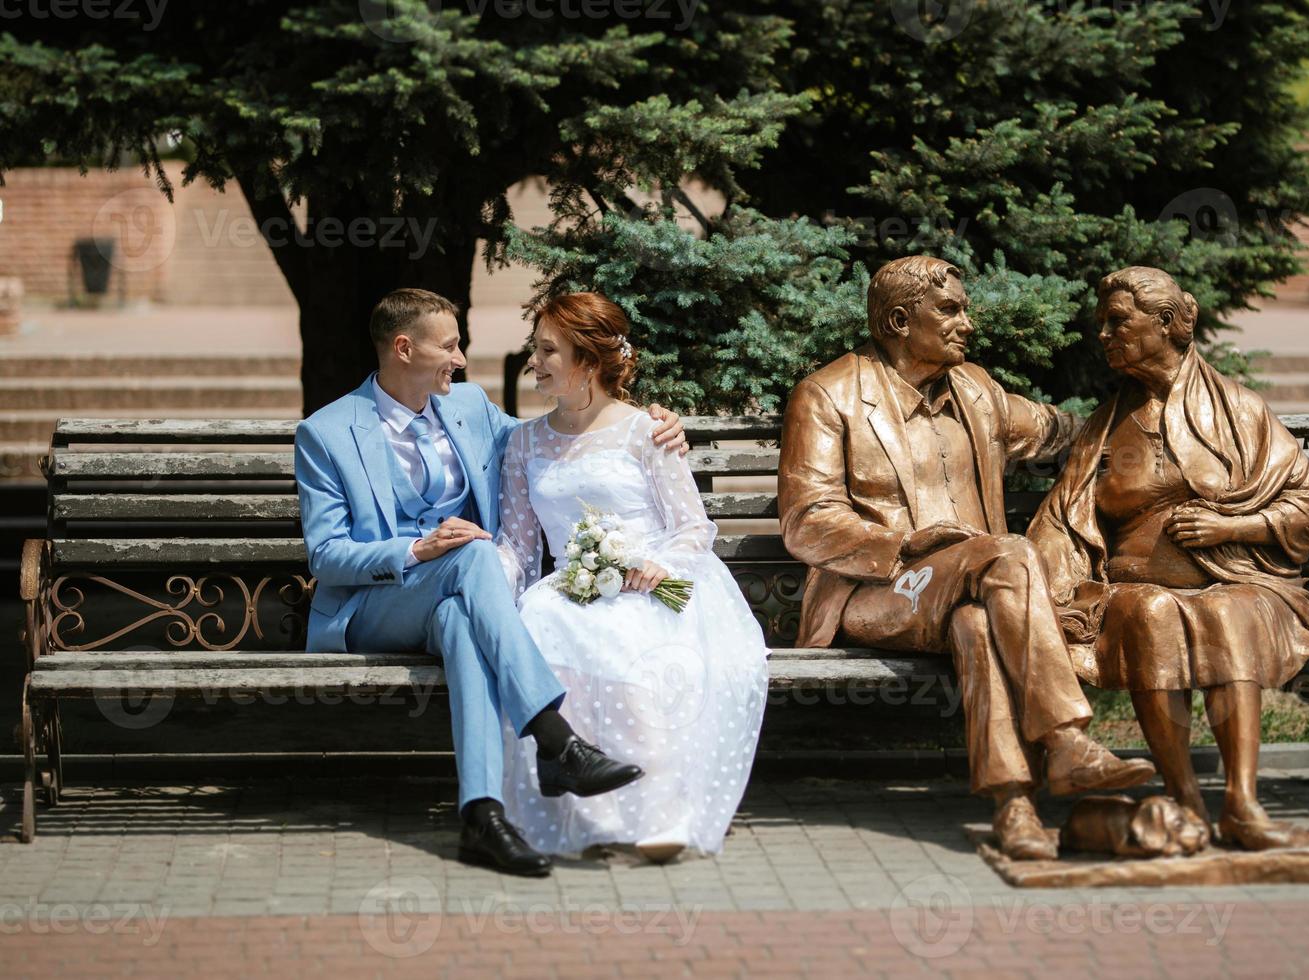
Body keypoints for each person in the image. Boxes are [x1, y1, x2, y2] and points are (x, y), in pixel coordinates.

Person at [294, 287, 689, 877]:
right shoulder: (327, 433)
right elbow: (326, 555)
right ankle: (556, 738)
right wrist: (414, 548)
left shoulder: (470, 408)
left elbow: (558, 436)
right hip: (373, 605)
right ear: (404, 349)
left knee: (461, 621)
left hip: (450, 601)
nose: (460, 357)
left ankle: (482, 816)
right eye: (449, 346)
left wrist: (649, 421)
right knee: (475, 556)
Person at [777, 255, 1154, 861]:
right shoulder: (829, 396)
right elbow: (806, 521)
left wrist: (1157, 410)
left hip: (984, 591)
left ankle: (1016, 810)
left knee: (976, 625)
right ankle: (1066, 741)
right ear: (901, 320)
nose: (968, 324)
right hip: (878, 592)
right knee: (1006, 554)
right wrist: (900, 544)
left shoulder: (977, 391)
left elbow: (1066, 430)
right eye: (949, 309)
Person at [1028, 266, 1309, 850]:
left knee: (1228, 616)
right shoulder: (1106, 425)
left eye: (1118, 321)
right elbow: (1064, 518)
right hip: (1130, 592)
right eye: (1102, 324)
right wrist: (1038, 584)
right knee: (1151, 615)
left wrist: (1233, 523)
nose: (1105, 335)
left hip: (1240, 579)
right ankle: (1186, 797)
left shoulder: (1239, 411)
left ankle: (1242, 804)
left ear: (1166, 323)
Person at [495, 292, 770, 864]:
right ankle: (592, 815)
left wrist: (658, 565)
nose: (536, 362)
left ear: (589, 361)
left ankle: (660, 812)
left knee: (623, 639)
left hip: (657, 582)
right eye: (536, 348)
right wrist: (488, 594)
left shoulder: (647, 432)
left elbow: (694, 527)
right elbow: (519, 544)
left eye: (549, 350)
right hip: (572, 587)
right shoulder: (523, 442)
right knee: (542, 617)